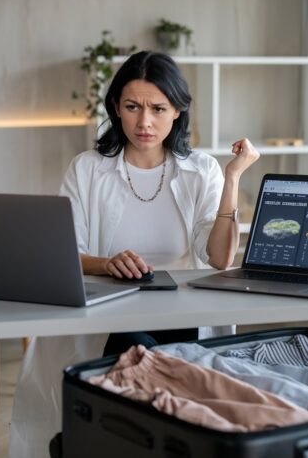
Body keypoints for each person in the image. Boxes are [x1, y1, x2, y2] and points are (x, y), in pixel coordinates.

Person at [60, 50, 260, 355]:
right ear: (116, 108)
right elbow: (65, 254)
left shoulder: (202, 170)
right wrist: (106, 264)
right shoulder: (86, 169)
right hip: (113, 317)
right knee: (138, 352)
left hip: (183, 315)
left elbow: (220, 258)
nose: (144, 122)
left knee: (164, 362)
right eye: (132, 107)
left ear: (177, 110)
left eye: (158, 109)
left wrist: (232, 178)